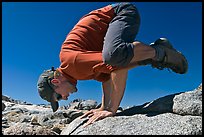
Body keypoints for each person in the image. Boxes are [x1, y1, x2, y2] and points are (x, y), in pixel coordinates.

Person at [37, 2, 188, 127]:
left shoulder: (73, 63)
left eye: (58, 96)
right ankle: (153, 54)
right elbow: (107, 76)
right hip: (113, 24)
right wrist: (104, 106)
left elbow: (118, 67)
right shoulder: (76, 71)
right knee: (114, 58)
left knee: (115, 56)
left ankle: (160, 53)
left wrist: (112, 109)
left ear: (55, 81)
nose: (65, 98)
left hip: (121, 12)